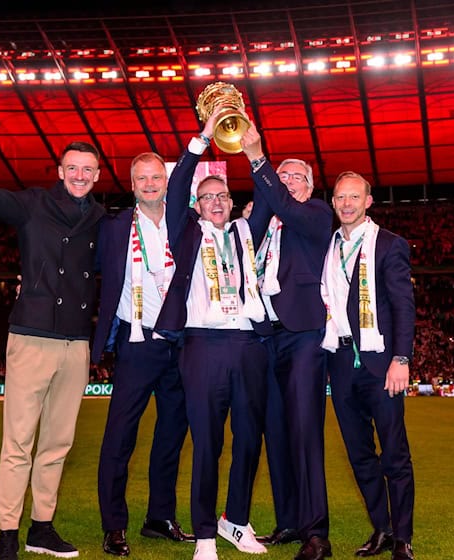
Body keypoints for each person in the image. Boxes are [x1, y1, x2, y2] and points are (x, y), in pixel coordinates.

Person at [0, 115, 106, 560]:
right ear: (60, 171)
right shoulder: (33, 204)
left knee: (58, 443)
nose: (80, 176)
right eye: (73, 168)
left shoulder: (103, 218)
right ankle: (8, 533)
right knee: (18, 443)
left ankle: (41, 527)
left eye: (89, 170)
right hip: (31, 335)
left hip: (76, 341)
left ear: (98, 176)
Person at [154, 109, 271, 560]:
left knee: (248, 438)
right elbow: (178, 183)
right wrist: (203, 137)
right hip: (202, 345)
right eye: (208, 197)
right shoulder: (184, 232)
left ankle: (235, 521)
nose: (216, 202)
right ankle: (204, 532)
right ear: (197, 206)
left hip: (247, 345)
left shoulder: (246, 229)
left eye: (222, 194)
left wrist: (253, 151)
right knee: (208, 442)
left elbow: (266, 194)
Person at [91, 151, 196, 556]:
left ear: (167, 182)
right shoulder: (114, 227)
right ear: (131, 184)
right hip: (137, 344)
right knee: (120, 437)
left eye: (156, 177)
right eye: (141, 179)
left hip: (181, 343)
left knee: (171, 436)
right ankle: (114, 525)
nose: (150, 184)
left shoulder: (186, 223)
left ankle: (159, 518)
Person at [238, 125, 334, 560]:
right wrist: (257, 209)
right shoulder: (266, 221)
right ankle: (290, 520)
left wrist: (260, 161)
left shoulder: (314, 214)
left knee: (304, 431)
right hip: (266, 337)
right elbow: (238, 245)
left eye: (297, 175)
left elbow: (283, 206)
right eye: (284, 173)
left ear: (311, 187)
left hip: (303, 336)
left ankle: (317, 533)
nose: (289, 180)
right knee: (275, 432)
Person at [321, 172, 416, 560]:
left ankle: (402, 538)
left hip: (381, 363)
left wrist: (401, 358)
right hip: (340, 361)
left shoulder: (390, 245)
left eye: (354, 197)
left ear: (368, 202)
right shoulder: (326, 246)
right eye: (340, 197)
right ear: (333, 202)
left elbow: (403, 305)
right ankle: (381, 528)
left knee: (394, 454)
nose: (346, 203)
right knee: (359, 455)